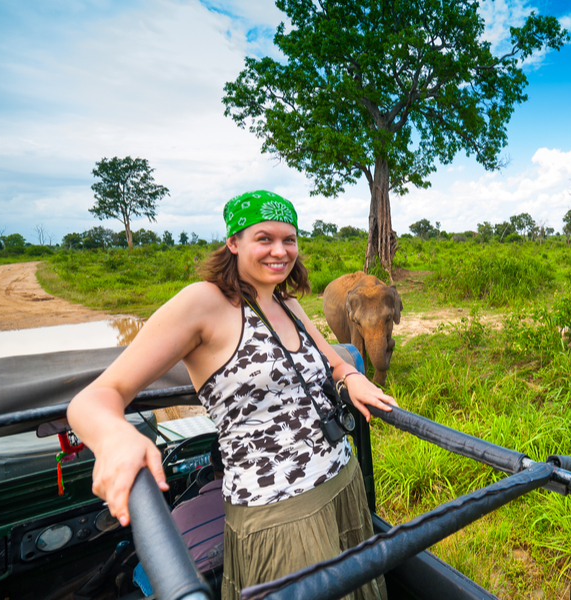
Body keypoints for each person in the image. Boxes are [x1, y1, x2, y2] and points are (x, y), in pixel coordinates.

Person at [68, 190, 395, 600]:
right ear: (233, 243)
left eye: (289, 239)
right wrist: (114, 439)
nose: (280, 251)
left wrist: (352, 376)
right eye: (264, 238)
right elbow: (95, 398)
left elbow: (334, 362)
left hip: (341, 485)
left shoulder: (286, 302)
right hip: (280, 513)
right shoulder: (203, 303)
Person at [132, 442, 226, 595]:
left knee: (142, 568)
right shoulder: (256, 503)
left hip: (187, 587)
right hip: (223, 583)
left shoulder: (181, 514)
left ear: (211, 461)